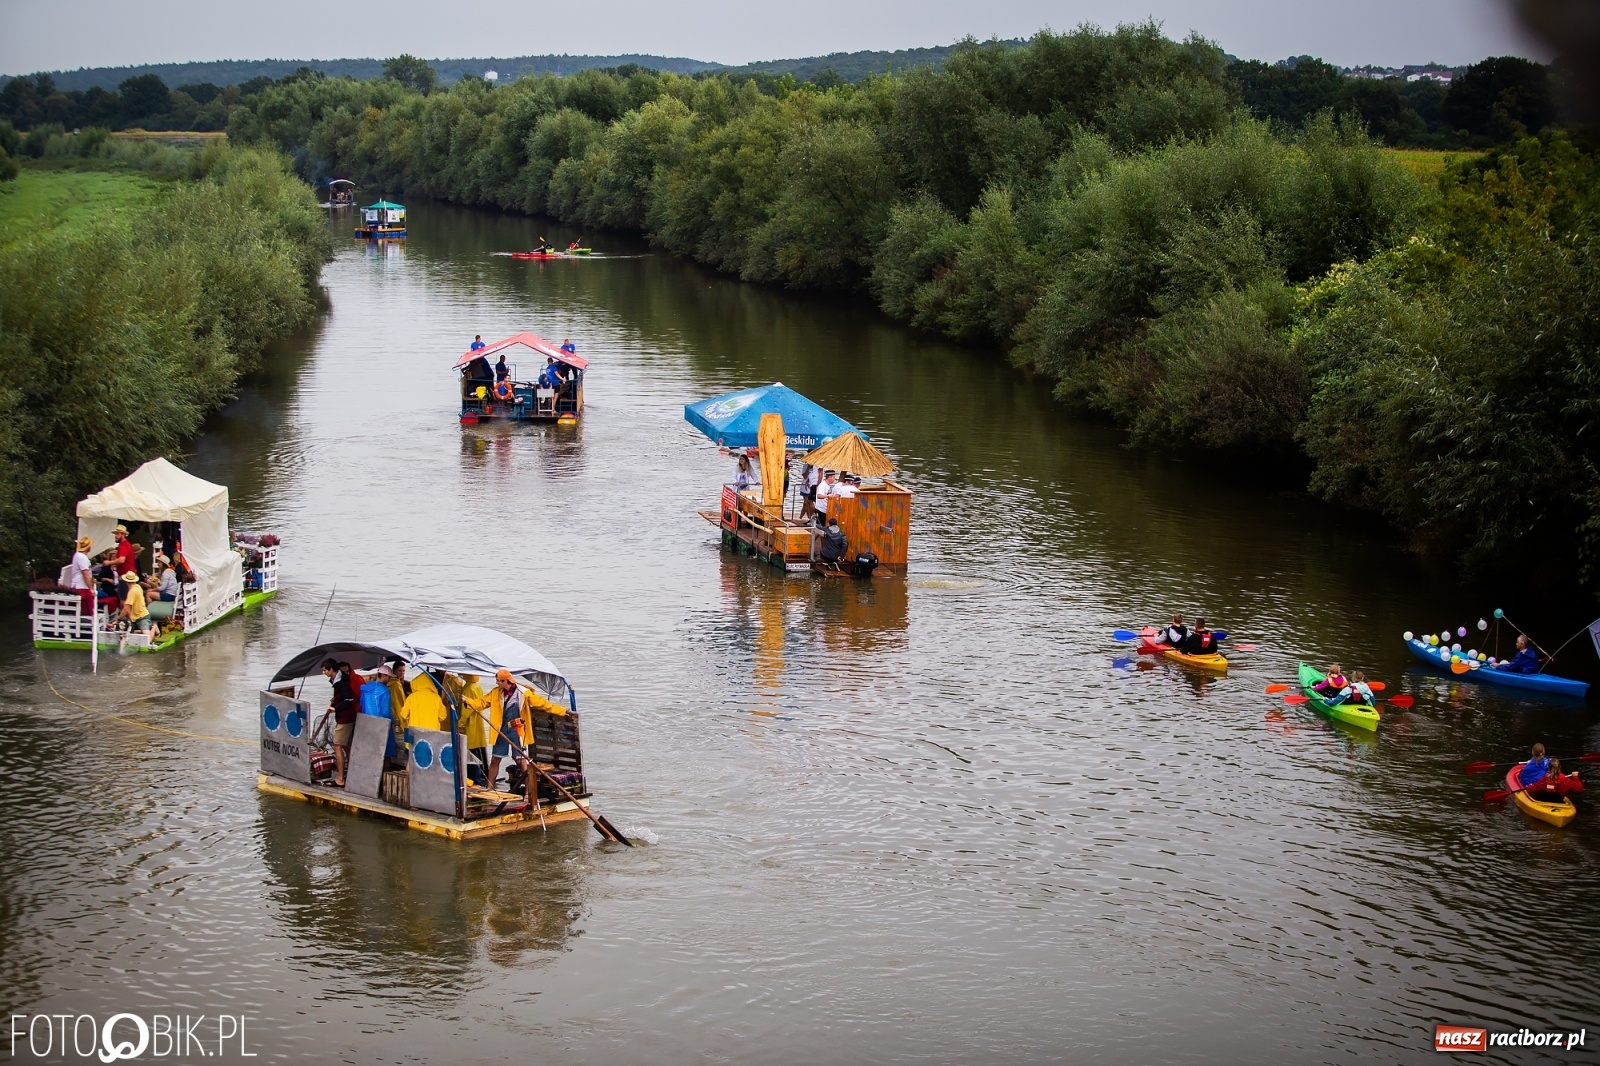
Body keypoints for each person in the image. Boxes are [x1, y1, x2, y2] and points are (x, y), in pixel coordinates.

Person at [469, 670, 529, 788]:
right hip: (501, 730)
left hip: (517, 730)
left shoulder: (522, 693)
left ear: (506, 681)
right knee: (495, 759)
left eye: (498, 681)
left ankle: (529, 791)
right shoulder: (496, 693)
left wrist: (563, 712)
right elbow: (482, 702)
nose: (496, 683)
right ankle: (490, 788)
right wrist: (468, 701)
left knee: (520, 760)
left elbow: (542, 704)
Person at [321, 657, 360, 787]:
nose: (323, 673)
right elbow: (343, 696)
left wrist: (334, 708)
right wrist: (336, 699)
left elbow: (348, 700)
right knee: (346, 745)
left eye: (325, 670)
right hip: (347, 717)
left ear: (331, 670)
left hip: (345, 718)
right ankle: (352, 773)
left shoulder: (342, 682)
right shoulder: (337, 679)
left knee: (337, 745)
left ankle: (340, 778)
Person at [66, 536, 95, 617]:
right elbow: (85, 574)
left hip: (78, 585)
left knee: (81, 610)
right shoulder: (82, 557)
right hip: (82, 586)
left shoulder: (77, 555)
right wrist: (91, 588)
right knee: (88, 610)